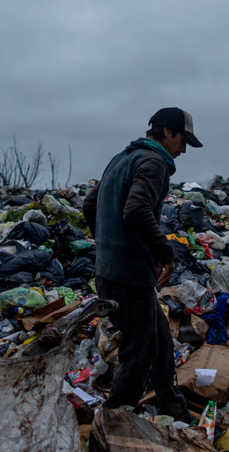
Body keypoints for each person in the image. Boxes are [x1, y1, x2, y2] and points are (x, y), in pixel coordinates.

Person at [83, 108, 203, 421]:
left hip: (112, 272)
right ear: (167, 132)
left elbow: (90, 204)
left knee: (161, 340)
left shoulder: (123, 157)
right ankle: (111, 423)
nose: (184, 148)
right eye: (183, 139)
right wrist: (164, 251)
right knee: (138, 355)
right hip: (130, 277)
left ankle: (174, 409)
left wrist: (107, 246)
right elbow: (136, 209)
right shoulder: (154, 161)